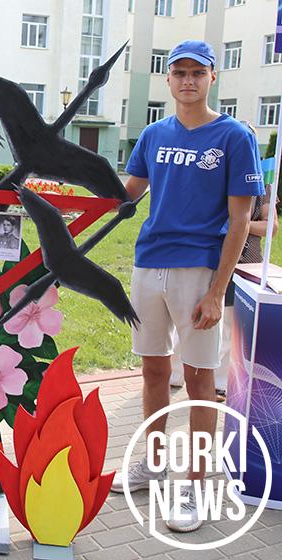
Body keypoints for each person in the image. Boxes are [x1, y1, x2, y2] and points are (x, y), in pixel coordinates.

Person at [111, 40, 264, 533]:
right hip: (148, 264)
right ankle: (153, 463)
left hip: (199, 271)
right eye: (179, 73)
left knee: (199, 380)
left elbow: (240, 221)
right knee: (154, 370)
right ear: (169, 80)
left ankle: (195, 486)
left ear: (212, 77)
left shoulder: (234, 136)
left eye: (197, 72)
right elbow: (125, 197)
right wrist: (60, 194)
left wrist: (217, 291)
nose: (188, 81)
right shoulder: (154, 134)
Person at [169, 123, 278, 400]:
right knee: (190, 317)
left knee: (229, 325)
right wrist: (235, 223)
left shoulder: (263, 186)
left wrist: (239, 225)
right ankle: (174, 374)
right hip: (208, 259)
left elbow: (271, 227)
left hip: (245, 263)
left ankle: (220, 383)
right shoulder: (213, 177)